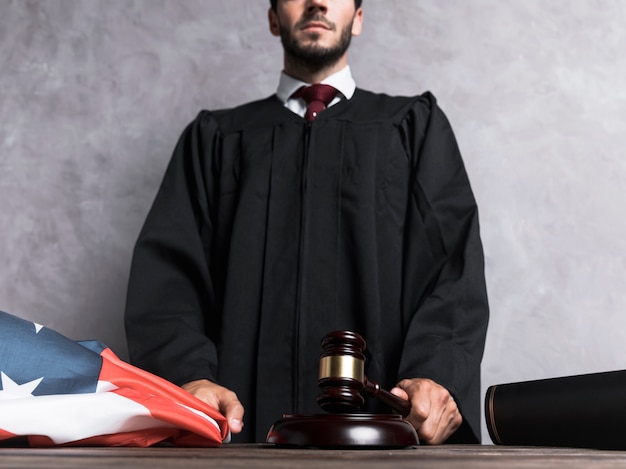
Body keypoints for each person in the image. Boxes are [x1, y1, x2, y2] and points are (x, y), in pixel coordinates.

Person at [124, 0, 489, 445]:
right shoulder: (215, 141)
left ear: (357, 17)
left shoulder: (412, 128)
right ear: (274, 17)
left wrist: (436, 377)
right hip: (240, 435)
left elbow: (453, 272)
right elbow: (167, 284)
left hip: (385, 434)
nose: (317, 1)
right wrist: (190, 377)